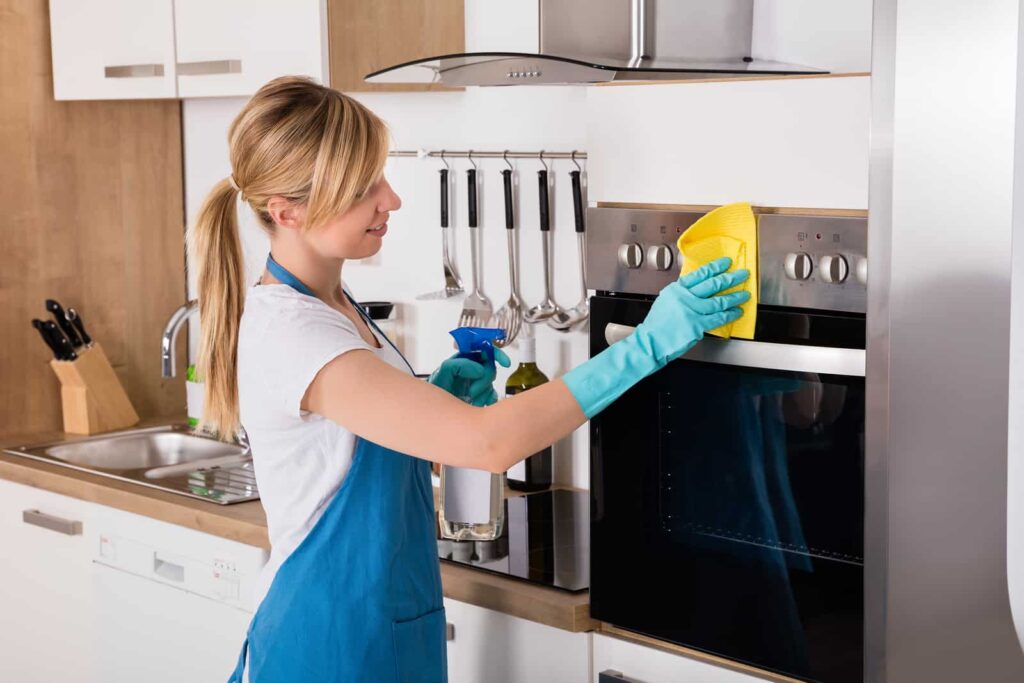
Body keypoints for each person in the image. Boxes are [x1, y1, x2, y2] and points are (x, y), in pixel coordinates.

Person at [190, 76, 749, 683]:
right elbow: (490, 445)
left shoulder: (335, 305)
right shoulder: (297, 332)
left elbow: (343, 454)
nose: (391, 200)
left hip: (382, 626)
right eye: (362, 189)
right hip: (330, 644)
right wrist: (647, 344)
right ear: (287, 212)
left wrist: (432, 407)